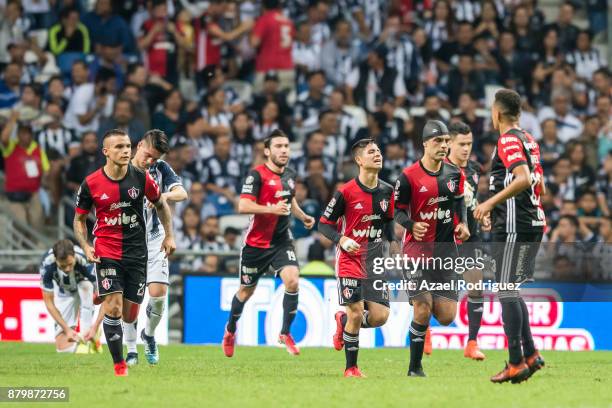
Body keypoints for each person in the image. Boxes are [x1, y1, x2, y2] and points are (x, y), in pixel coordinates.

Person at [73, 128, 176, 376]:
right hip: (106, 250)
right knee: (114, 308)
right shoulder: (90, 183)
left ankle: (112, 300)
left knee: (130, 313)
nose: (125, 151)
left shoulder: (141, 178)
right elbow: (79, 219)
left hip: (137, 252)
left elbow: (161, 204)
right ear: (106, 151)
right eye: (119, 147)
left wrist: (170, 235)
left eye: (127, 146)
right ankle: (119, 364)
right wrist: (86, 245)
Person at [222, 129, 315, 357]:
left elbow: (289, 200)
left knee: (292, 281)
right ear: (267, 151)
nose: (284, 150)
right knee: (245, 292)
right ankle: (230, 330)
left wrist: (302, 216)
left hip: (282, 241)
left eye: (286, 146)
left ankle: (285, 332)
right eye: (278, 146)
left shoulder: (290, 174)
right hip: (256, 245)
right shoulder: (256, 175)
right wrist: (270, 209)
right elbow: (243, 206)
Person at [474, 89, 546, 384]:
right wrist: (497, 206)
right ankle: (530, 354)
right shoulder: (529, 139)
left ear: (498, 113)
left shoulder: (507, 140)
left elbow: (523, 178)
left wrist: (489, 203)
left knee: (505, 290)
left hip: (518, 225)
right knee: (511, 289)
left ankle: (515, 362)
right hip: (528, 222)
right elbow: (534, 183)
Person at [393, 120, 470, 377]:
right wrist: (411, 225)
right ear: (425, 143)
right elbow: (397, 210)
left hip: (447, 254)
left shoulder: (455, 174)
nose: (444, 146)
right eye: (438, 141)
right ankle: (415, 368)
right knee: (423, 307)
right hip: (416, 253)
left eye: (447, 141)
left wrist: (464, 225)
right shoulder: (408, 177)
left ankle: (423, 327)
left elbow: (460, 203)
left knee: (447, 316)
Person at [318, 138, 397, 377]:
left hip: (374, 262)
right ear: (359, 160)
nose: (378, 154)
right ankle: (351, 368)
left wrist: (393, 242)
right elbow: (324, 225)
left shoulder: (387, 191)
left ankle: (342, 323)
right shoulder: (345, 192)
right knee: (356, 311)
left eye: (379, 150)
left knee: (380, 317)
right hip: (350, 260)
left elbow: (389, 220)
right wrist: (341, 239)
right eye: (371, 152)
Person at [123, 129, 187, 366]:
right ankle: (131, 350)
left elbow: (182, 192)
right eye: (148, 155)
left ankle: (148, 335)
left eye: (155, 158)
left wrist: (163, 196)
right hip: (126, 242)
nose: (150, 161)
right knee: (129, 301)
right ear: (139, 145)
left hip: (154, 238)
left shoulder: (160, 169)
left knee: (158, 295)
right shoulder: (120, 168)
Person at [446, 121, 489, 360]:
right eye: (461, 144)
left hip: (471, 238)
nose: (466, 149)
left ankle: (472, 342)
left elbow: (472, 200)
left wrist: (483, 215)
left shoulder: (474, 169)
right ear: (449, 143)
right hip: (443, 238)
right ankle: (424, 330)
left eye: (469, 144)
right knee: (435, 290)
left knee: (476, 286)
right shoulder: (440, 169)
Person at [40, 239, 98, 353]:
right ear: (55, 260)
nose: (67, 269)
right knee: (62, 349)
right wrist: (67, 330)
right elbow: (49, 303)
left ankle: (86, 337)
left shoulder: (85, 260)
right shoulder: (46, 264)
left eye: (70, 264)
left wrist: (95, 326)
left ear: (74, 255)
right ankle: (88, 345)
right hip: (64, 293)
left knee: (86, 286)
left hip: (84, 286)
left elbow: (104, 294)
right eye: (62, 266)